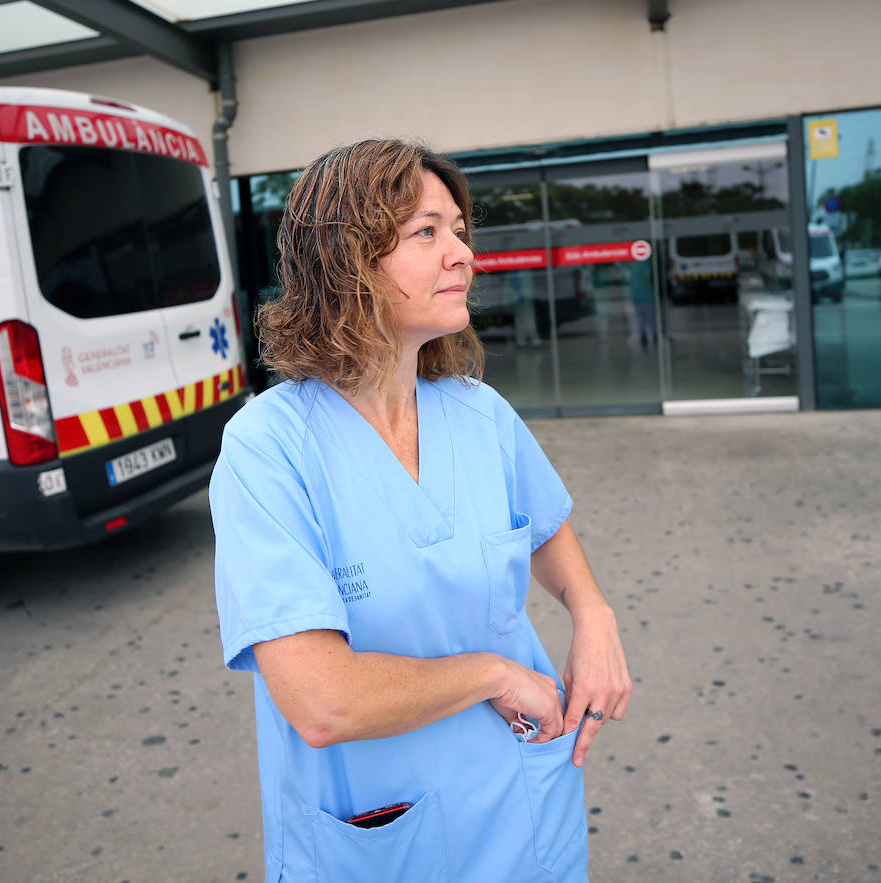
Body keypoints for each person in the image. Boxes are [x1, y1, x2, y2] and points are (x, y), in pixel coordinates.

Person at [209, 139, 631, 882]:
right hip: (386, 835)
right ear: (347, 260)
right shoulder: (267, 449)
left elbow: (542, 526)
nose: (461, 253)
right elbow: (320, 700)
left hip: (526, 809)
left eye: (460, 230)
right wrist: (497, 674)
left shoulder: (479, 413)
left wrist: (594, 613)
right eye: (426, 232)